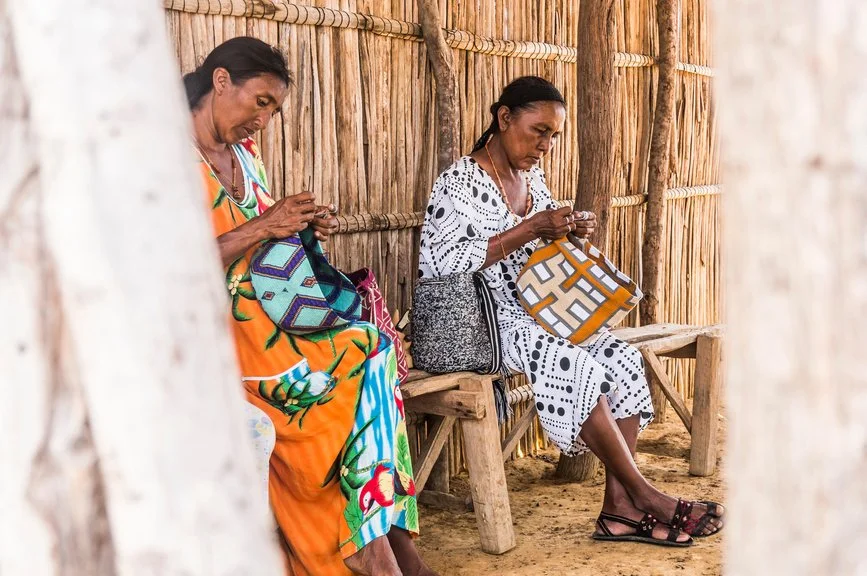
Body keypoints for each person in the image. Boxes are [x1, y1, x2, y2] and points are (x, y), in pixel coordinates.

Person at [419, 76, 724, 546]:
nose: (545, 145)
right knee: (575, 361)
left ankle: (618, 510)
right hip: (479, 323)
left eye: (553, 135)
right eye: (538, 130)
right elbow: (439, 264)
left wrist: (569, 230)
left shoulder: (530, 178)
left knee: (620, 358)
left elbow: (540, 246)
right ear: (504, 119)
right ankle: (645, 496)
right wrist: (531, 227)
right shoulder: (458, 181)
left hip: (534, 311)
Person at [187, 36, 434, 575]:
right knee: (361, 357)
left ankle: (385, 546)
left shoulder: (244, 157)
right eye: (261, 103)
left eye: (273, 110)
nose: (264, 121)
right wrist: (265, 225)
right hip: (217, 341)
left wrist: (296, 227)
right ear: (221, 80)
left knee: (375, 349)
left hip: (274, 323)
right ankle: (376, 553)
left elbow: (260, 239)